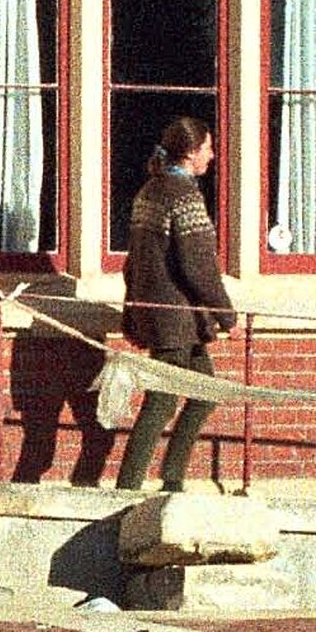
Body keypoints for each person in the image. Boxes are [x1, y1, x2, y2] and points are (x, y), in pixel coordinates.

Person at [113, 114, 234, 496]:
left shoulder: (149, 191)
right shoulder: (185, 197)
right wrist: (226, 315)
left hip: (166, 318)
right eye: (209, 149)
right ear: (192, 152)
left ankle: (172, 478)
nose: (212, 156)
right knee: (161, 402)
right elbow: (198, 267)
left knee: (206, 390)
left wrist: (133, 314)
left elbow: (133, 264)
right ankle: (128, 488)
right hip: (176, 321)